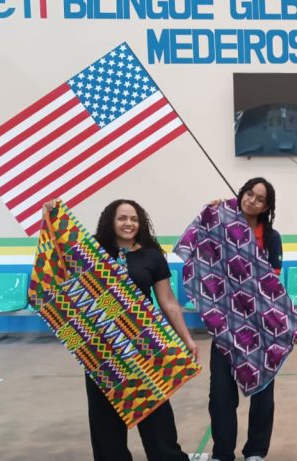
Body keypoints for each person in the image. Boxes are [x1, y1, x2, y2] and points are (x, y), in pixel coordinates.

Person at [82, 199, 199, 461]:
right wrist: (49, 216)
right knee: (105, 422)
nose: (129, 223)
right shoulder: (93, 253)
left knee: (157, 417)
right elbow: (59, 255)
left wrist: (187, 339)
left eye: (134, 219)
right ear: (110, 221)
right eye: (122, 218)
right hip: (102, 350)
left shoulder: (152, 255)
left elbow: (168, 301)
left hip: (143, 348)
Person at [208, 178, 284, 461]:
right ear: (241, 195)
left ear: (266, 207)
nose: (252, 200)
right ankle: (222, 452)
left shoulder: (271, 237)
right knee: (220, 393)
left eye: (260, 199)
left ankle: (256, 451)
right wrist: (213, 212)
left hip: (261, 328)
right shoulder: (222, 226)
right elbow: (202, 253)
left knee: (262, 391)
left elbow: (272, 283)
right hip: (225, 325)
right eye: (249, 194)